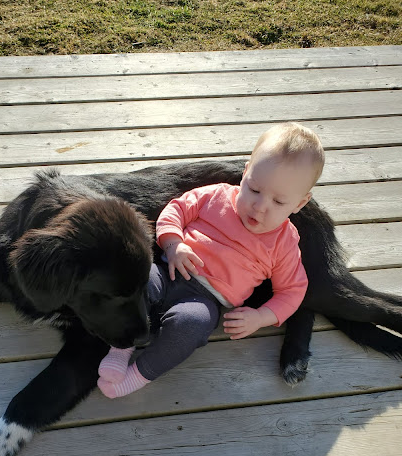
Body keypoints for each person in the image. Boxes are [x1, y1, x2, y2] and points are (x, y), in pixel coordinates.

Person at [97, 122, 325, 399]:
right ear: (245, 173)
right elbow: (176, 209)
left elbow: (292, 291)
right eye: (254, 189)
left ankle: (138, 375)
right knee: (137, 282)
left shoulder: (285, 243)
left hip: (204, 301)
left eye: (278, 202)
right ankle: (121, 349)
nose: (260, 206)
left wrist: (260, 317)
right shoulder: (216, 195)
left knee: (190, 327)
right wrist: (174, 244)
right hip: (168, 271)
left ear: (300, 204)